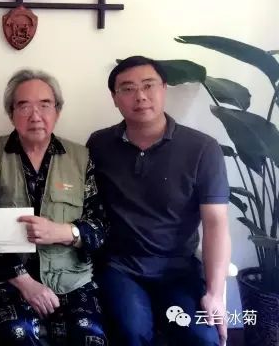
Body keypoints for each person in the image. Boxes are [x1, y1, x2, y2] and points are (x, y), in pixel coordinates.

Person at [87, 56, 231, 346]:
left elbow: (216, 223)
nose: (140, 96)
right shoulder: (99, 145)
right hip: (120, 267)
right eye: (127, 89)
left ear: (164, 88)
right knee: (131, 332)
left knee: (202, 338)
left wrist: (215, 293)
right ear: (115, 98)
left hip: (178, 269)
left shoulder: (202, 148)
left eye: (148, 85)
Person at [0, 69, 107, 346]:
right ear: (11, 113)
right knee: (14, 335)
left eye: (45, 105)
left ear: (58, 111)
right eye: (24, 106)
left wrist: (65, 232)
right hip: (7, 281)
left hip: (72, 280)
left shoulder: (81, 158)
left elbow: (101, 226)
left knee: (89, 338)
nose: (35, 115)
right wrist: (25, 282)